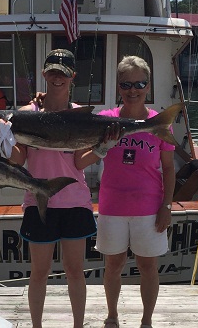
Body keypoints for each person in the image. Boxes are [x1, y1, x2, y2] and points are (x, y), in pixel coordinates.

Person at [76, 55, 175, 328]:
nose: (133, 90)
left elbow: (168, 169)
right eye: (126, 84)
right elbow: (80, 159)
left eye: (139, 84)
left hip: (149, 208)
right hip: (113, 207)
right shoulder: (105, 120)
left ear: (148, 86)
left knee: (147, 267)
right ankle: (112, 316)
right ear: (119, 87)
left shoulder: (160, 122)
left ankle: (146, 321)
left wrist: (166, 206)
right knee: (113, 266)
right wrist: (103, 146)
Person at [7, 49, 97, 328]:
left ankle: (78, 325)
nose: (58, 77)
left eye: (64, 72)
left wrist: (103, 149)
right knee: (39, 272)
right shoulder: (25, 114)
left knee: (75, 271)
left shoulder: (79, 115)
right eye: (53, 72)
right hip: (38, 201)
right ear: (44, 74)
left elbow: (80, 161)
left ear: (73, 77)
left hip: (75, 200)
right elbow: (18, 159)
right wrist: (3, 139)